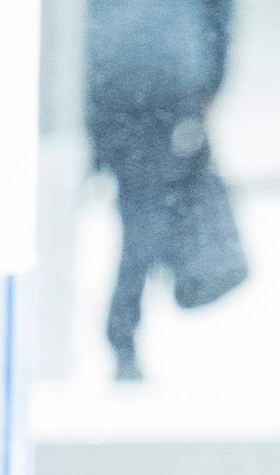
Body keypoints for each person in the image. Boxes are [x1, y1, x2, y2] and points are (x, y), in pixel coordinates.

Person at [89, 0, 240, 381]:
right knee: (148, 205)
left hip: (106, 71)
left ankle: (122, 328)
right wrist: (211, 82)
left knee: (138, 204)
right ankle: (123, 329)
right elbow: (220, 14)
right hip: (166, 73)